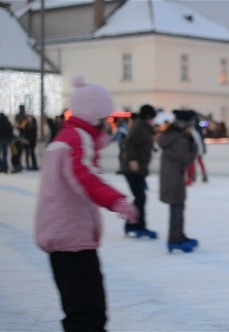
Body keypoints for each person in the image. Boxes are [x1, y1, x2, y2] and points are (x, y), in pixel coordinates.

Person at [34, 76, 138, 332]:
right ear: (96, 117)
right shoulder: (76, 138)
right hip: (71, 239)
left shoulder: (67, 137)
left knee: (82, 312)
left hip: (65, 236)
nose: (110, 124)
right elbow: (85, 177)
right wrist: (116, 200)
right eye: (108, 118)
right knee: (87, 314)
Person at [157, 110, 198, 253]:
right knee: (177, 208)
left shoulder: (172, 135)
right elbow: (186, 158)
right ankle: (174, 240)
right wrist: (195, 147)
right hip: (173, 177)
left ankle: (178, 235)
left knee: (177, 207)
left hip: (171, 176)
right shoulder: (180, 139)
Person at [119, 104, 158, 239]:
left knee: (140, 197)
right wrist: (132, 159)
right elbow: (128, 143)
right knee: (140, 197)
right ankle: (138, 226)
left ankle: (131, 224)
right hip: (133, 168)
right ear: (149, 116)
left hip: (139, 168)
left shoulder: (144, 127)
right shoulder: (139, 127)